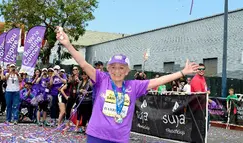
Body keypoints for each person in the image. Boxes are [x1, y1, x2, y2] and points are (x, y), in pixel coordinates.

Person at [56, 27, 198, 143]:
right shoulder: (102, 79)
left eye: (121, 68)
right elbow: (83, 63)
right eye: (113, 67)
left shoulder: (134, 86)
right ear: (108, 69)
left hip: (119, 139)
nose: (117, 71)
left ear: (127, 71)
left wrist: (182, 72)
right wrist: (68, 44)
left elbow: (159, 81)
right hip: (96, 136)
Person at [190, 63, 216, 143]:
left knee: (203, 127)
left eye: (203, 69)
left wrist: (207, 91)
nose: (201, 70)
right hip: (197, 107)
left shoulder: (202, 78)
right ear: (196, 70)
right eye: (199, 69)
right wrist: (211, 101)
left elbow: (205, 89)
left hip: (203, 106)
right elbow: (200, 95)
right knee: (198, 128)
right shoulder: (196, 80)